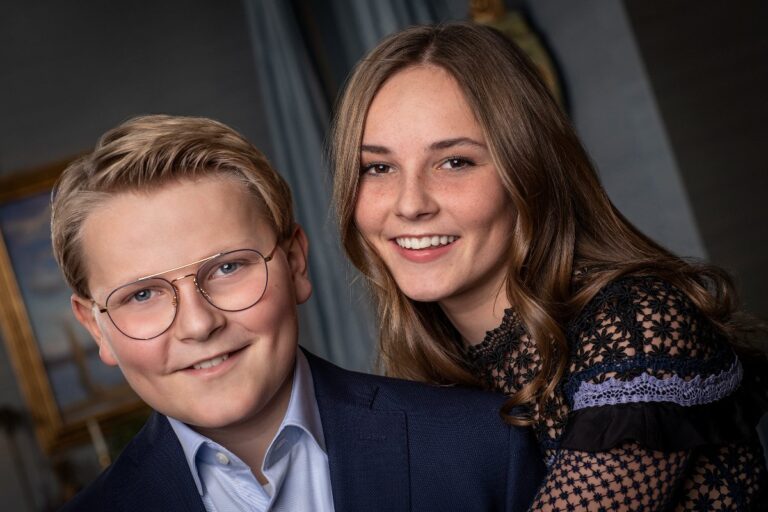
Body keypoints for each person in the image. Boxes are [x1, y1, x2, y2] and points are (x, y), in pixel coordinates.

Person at [330, 22, 768, 510]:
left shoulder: (637, 328)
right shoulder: (429, 371)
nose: (410, 205)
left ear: (528, 168)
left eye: (454, 161)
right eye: (378, 167)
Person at [51, 115, 544, 512]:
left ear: (295, 263)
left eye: (227, 267)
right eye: (142, 295)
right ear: (96, 326)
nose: (199, 325)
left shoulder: (485, 447)